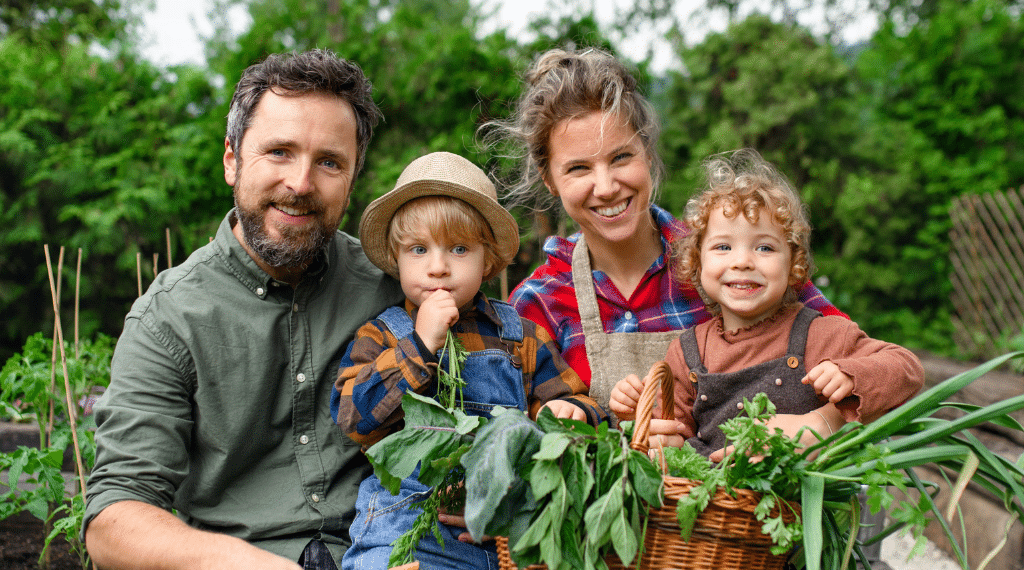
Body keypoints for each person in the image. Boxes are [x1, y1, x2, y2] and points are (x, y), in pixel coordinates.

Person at [82, 49, 405, 570]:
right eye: (278, 152)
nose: (300, 184)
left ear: (352, 176)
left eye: (328, 162)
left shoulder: (394, 288)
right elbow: (115, 519)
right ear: (232, 159)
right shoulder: (168, 321)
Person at [485, 47, 845, 434]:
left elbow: (855, 364)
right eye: (578, 168)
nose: (606, 187)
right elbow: (511, 437)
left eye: (621, 157)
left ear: (647, 152)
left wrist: (824, 421)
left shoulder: (730, 259)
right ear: (549, 179)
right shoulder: (536, 304)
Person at [333, 151, 607, 570]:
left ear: (488, 260)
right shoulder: (383, 334)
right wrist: (420, 345)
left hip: (499, 538)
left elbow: (586, 408)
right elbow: (353, 418)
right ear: (397, 258)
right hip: (405, 534)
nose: (438, 267)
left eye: (459, 249)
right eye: (419, 249)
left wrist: (572, 414)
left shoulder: (521, 336)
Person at [609, 149, 924, 456]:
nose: (743, 261)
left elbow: (907, 369)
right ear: (698, 263)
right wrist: (640, 418)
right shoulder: (687, 352)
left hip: (793, 505)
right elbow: (675, 436)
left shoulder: (819, 334)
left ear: (793, 265)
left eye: (764, 248)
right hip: (715, 504)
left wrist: (851, 375)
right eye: (723, 246)